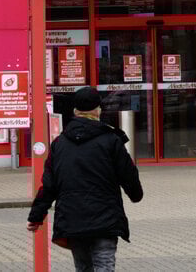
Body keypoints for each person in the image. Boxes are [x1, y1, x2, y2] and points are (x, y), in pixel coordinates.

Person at [27, 87, 143, 272]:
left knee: (83, 268)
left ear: (75, 111)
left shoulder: (59, 144)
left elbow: (49, 185)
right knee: (104, 266)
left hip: (73, 219)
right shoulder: (111, 140)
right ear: (98, 110)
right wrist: (136, 195)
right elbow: (128, 174)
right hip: (105, 219)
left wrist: (36, 216)